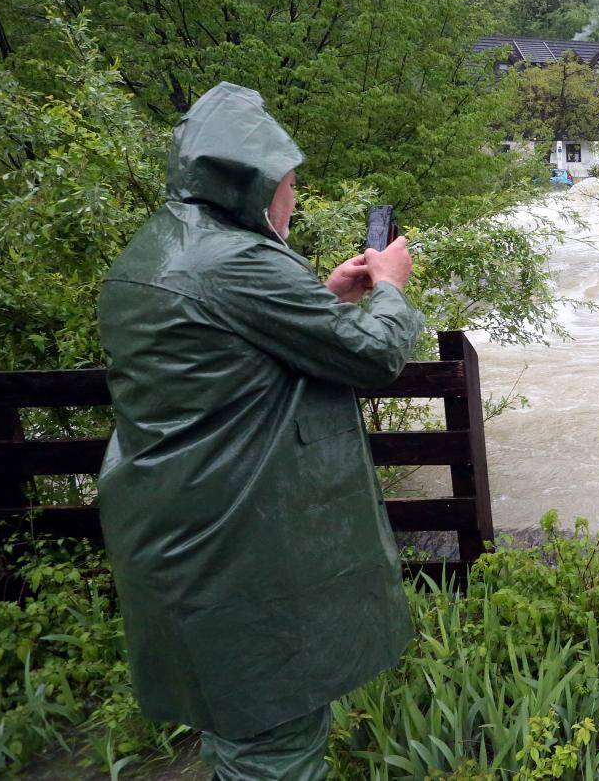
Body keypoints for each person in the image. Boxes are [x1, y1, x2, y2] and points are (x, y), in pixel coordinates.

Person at [96, 82, 423, 779]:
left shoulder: (160, 248)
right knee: (270, 738)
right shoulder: (240, 262)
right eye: (289, 182)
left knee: (235, 715)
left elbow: (223, 355)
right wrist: (391, 285)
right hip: (240, 550)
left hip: (182, 532)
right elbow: (373, 356)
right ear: (255, 183)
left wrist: (326, 298)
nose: (294, 197)